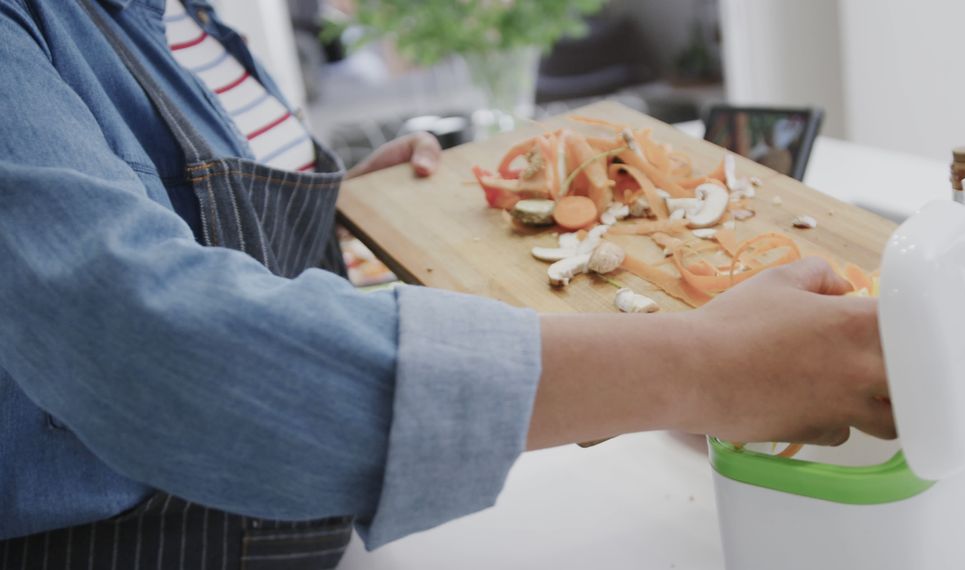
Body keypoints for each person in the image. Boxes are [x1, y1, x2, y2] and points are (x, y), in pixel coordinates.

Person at [0, 0, 895, 567]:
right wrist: (707, 370)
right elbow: (168, 355)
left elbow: (181, 223)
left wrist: (341, 206)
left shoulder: (175, 16)